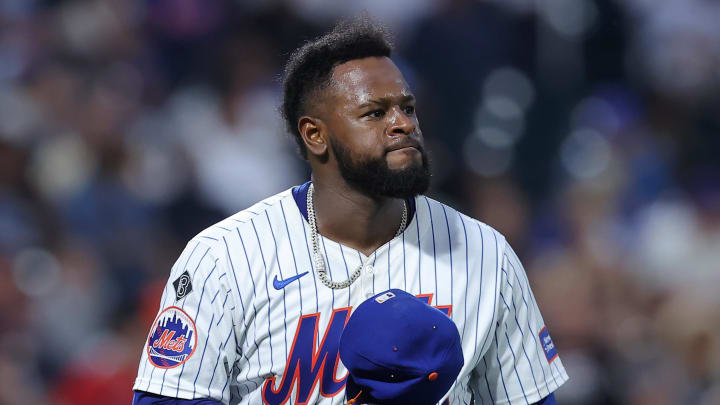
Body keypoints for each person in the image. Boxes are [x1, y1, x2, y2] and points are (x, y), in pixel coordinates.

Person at [132, 17, 568, 405]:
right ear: (315, 135)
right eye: (374, 112)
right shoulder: (224, 257)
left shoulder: (487, 254)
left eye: (408, 108)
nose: (403, 124)